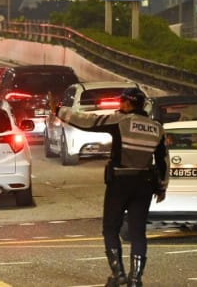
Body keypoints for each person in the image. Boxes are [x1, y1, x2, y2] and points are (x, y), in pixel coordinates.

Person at [54, 88, 168, 287]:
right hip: (144, 185)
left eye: (121, 101)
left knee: (110, 228)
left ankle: (119, 274)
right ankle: (135, 279)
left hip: (120, 183)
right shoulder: (156, 127)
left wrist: (59, 111)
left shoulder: (120, 121)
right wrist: (162, 187)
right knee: (138, 233)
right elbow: (163, 160)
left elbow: (87, 121)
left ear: (128, 103)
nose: (119, 105)